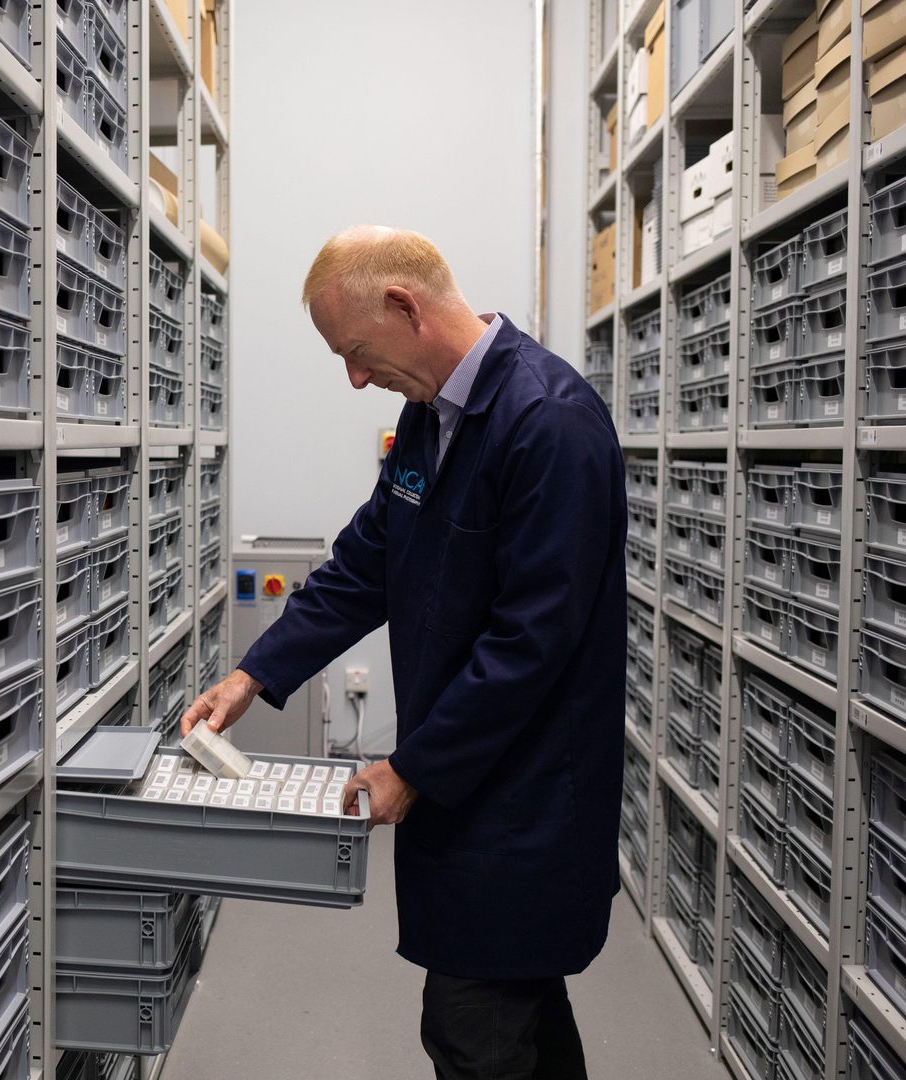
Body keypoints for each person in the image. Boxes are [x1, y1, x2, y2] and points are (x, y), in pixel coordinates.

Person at [179, 226, 627, 1079]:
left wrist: (411, 766)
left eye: (354, 351)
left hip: (525, 808)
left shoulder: (549, 423)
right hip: (472, 794)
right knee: (521, 1021)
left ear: (402, 306)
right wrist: (253, 674)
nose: (353, 378)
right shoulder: (431, 419)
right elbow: (365, 564)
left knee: (474, 1028)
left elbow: (530, 643)